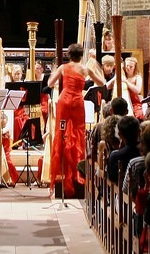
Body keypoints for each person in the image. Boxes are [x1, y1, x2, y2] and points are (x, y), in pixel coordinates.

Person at [47, 44, 106, 198]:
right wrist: (94, 65)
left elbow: (50, 84)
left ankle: (62, 172)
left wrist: (56, 71)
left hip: (64, 101)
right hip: (78, 102)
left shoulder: (63, 67)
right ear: (81, 55)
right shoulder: (86, 69)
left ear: (68, 54)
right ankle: (77, 172)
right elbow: (101, 82)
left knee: (62, 133)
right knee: (78, 134)